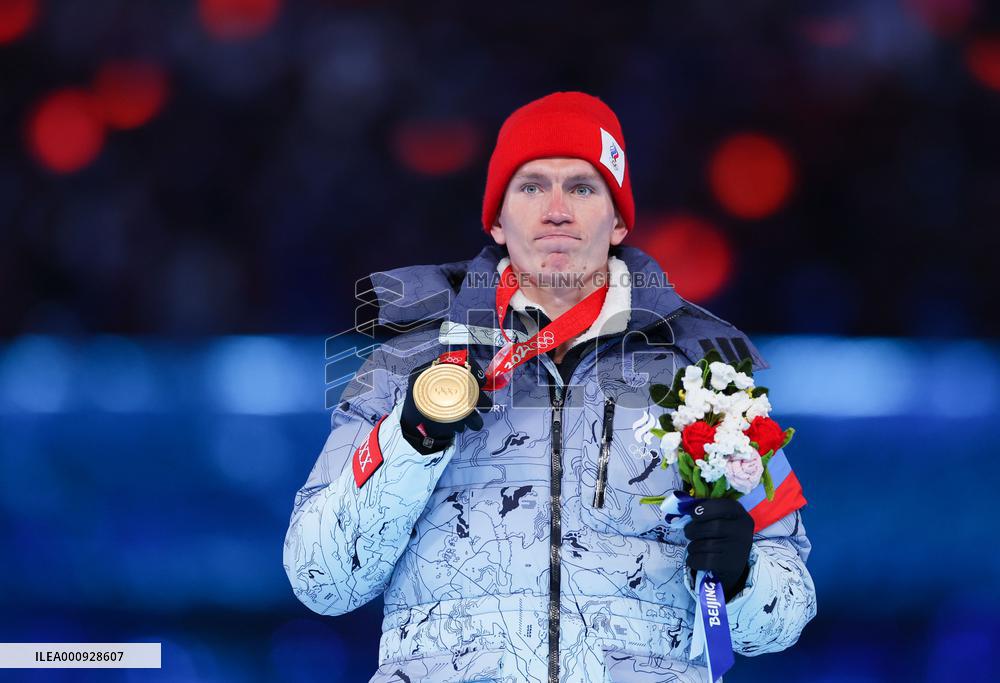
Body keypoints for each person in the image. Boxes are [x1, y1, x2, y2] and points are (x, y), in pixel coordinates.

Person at [283, 91, 817, 683]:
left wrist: (743, 577)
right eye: (532, 186)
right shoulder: (409, 361)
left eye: (583, 188)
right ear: (496, 218)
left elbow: (786, 614)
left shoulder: (701, 374)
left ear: (617, 221)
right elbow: (319, 578)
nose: (556, 209)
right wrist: (410, 441)